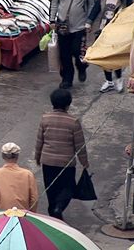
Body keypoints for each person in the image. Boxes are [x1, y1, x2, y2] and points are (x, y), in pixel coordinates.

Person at [34, 89, 89, 220]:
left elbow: (39, 140)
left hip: (47, 162)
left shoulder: (45, 119)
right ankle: (59, 207)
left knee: (51, 187)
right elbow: (80, 145)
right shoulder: (73, 122)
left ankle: (53, 210)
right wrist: (84, 162)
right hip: (66, 163)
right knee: (68, 187)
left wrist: (37, 157)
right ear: (68, 104)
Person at [85, 0, 133, 93]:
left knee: (115, 56)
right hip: (103, 30)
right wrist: (89, 22)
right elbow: (95, 10)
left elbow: (132, 11)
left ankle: (118, 79)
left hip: (118, 31)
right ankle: (109, 81)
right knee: (104, 56)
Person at [49, 0, 95, 89]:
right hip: (62, 27)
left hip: (79, 27)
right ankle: (67, 79)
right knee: (65, 55)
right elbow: (54, 2)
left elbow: (92, 4)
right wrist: (52, 20)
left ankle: (81, 67)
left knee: (77, 51)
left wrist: (89, 22)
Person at [0, 142, 39, 212]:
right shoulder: (28, 174)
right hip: (22, 213)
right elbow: (34, 198)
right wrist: (31, 213)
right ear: (17, 156)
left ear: (3, 156)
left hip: (3, 214)